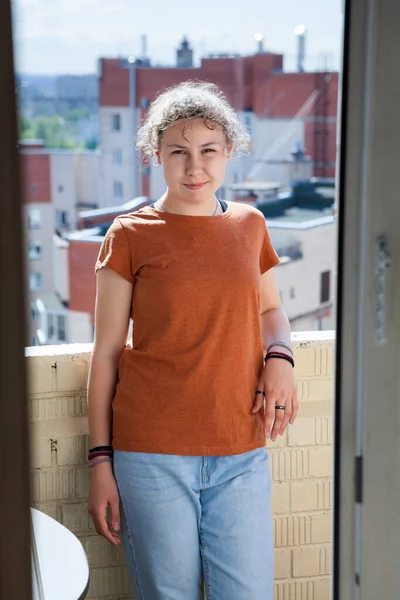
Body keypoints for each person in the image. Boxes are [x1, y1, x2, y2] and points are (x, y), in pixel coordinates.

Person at [88, 81, 298, 600]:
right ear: (155, 154)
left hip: (240, 450)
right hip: (151, 455)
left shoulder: (250, 225)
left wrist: (281, 356)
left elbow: (271, 310)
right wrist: (99, 461)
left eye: (208, 151)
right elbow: (107, 354)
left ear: (229, 152)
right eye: (178, 152)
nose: (194, 167)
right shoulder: (129, 235)